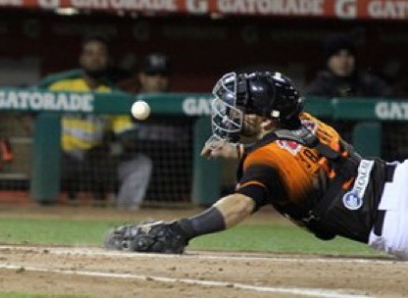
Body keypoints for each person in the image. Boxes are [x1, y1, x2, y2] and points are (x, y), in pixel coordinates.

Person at [105, 70, 408, 261]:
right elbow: (291, 152)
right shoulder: (306, 123)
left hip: (397, 221)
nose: (232, 115)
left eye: (240, 110)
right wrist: (239, 149)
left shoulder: (267, 159)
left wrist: (180, 230)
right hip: (397, 179)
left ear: (265, 118)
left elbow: (240, 204)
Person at [42, 36, 151, 210]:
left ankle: (124, 216)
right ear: (81, 59)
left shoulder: (112, 95)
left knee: (140, 164)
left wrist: (111, 148)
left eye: (101, 54)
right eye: (90, 53)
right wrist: (45, 143)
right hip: (64, 157)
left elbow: (127, 138)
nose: (95, 58)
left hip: (97, 160)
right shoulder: (61, 87)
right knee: (47, 161)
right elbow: (24, 110)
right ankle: (43, 211)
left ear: (108, 60)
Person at [129, 54, 194, 202]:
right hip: (140, 165)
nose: (158, 80)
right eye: (152, 74)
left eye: (163, 75)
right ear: (142, 77)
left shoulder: (180, 110)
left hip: (171, 174)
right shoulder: (127, 105)